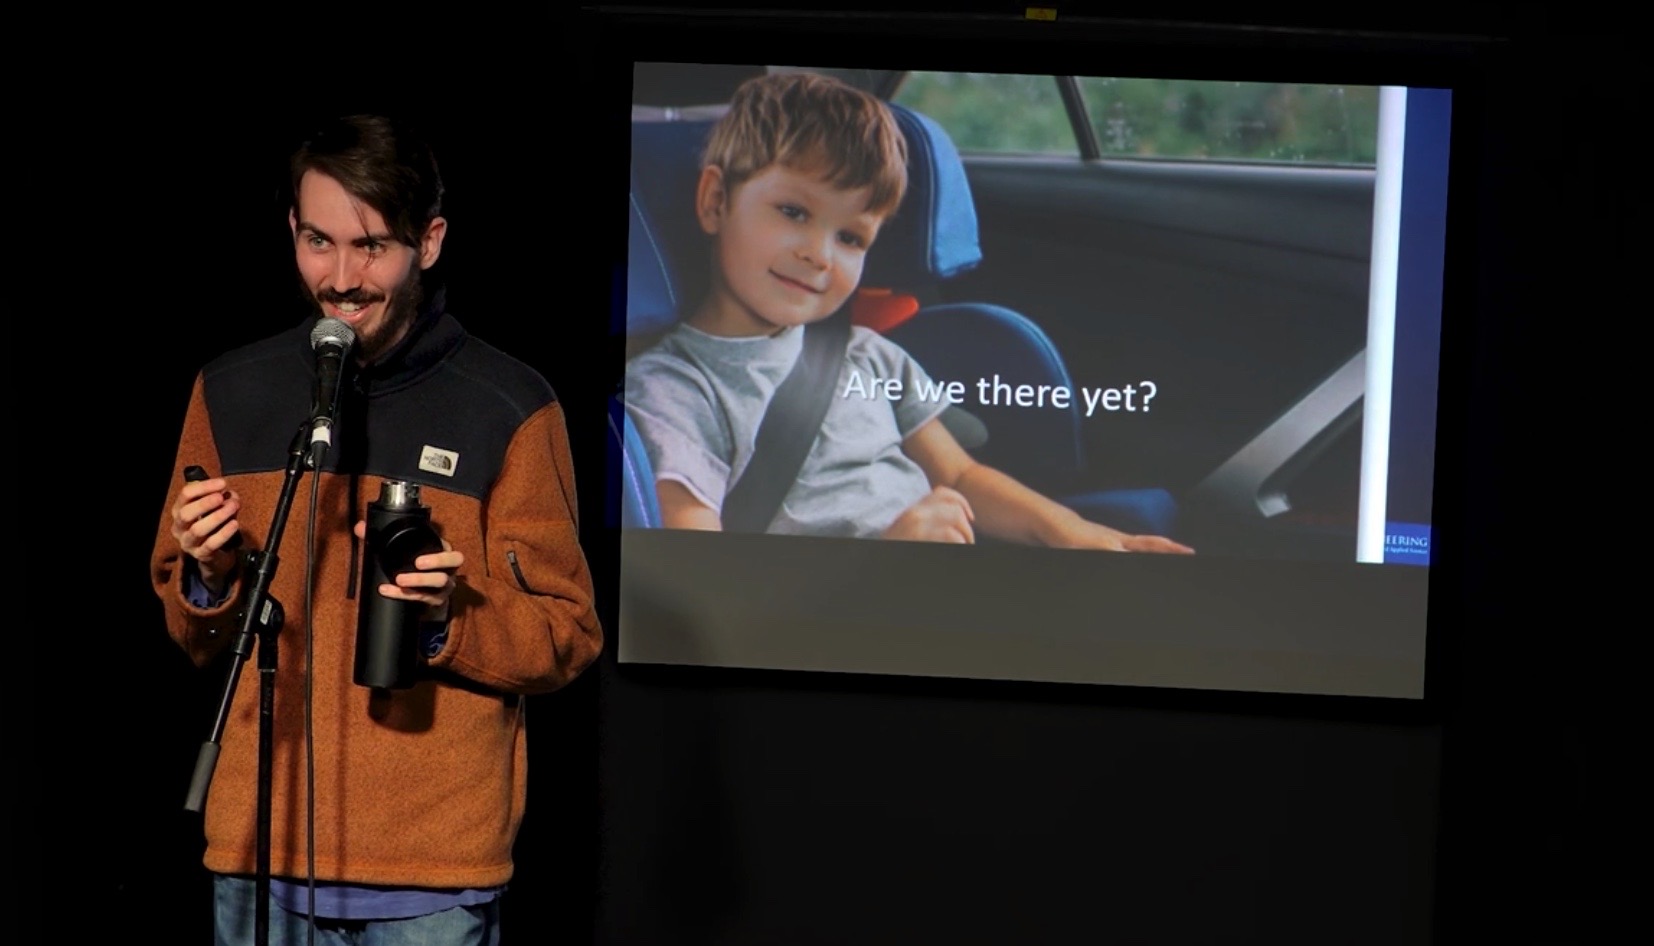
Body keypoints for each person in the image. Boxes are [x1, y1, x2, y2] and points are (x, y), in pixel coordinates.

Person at [151, 114, 603, 944]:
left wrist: (450, 617)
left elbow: (568, 635)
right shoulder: (231, 390)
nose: (342, 277)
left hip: (428, 877)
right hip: (258, 854)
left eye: (372, 247)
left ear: (428, 242)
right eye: (318, 242)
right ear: (291, 229)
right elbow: (190, 626)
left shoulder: (510, 406)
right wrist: (208, 574)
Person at [625, 72, 1192, 553]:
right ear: (715, 201)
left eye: (850, 237)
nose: (819, 255)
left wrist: (1076, 532)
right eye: (793, 211)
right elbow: (702, 581)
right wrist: (888, 553)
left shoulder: (867, 355)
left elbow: (960, 475)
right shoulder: (675, 391)